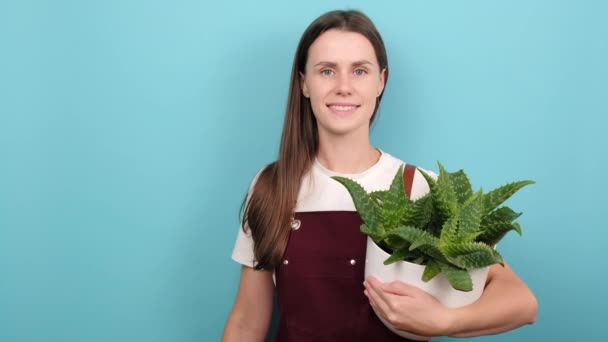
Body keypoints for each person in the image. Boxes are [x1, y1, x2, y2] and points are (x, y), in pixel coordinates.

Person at [222, 9, 537, 341]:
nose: (344, 87)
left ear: (380, 82)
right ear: (304, 83)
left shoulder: (421, 188)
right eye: (327, 71)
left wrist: (444, 322)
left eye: (359, 71)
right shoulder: (272, 187)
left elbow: (522, 302)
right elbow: (246, 323)